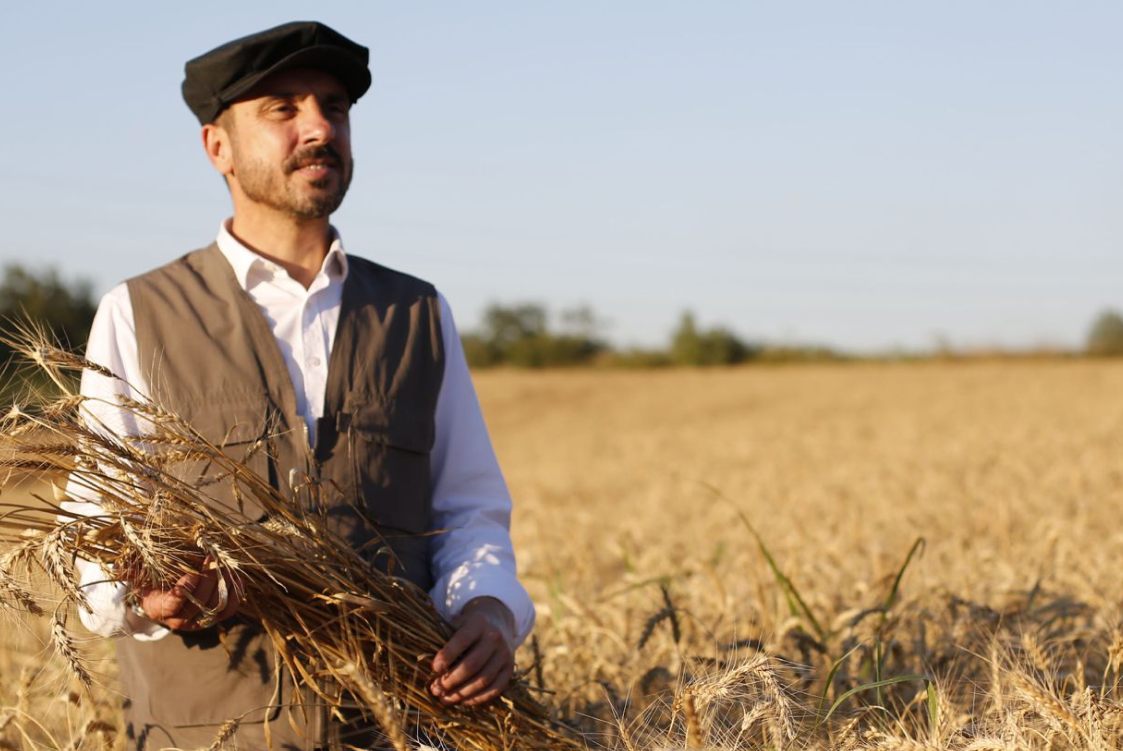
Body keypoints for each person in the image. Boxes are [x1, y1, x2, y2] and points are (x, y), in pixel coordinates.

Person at [70, 21, 534, 751]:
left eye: (334, 106)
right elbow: (90, 543)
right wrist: (151, 598)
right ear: (216, 146)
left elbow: (469, 513)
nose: (319, 127)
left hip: (401, 730)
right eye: (282, 109)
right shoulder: (139, 314)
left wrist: (489, 610)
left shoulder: (417, 312)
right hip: (206, 735)